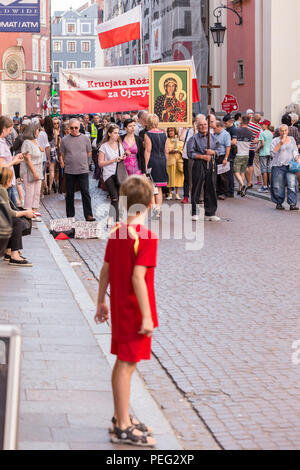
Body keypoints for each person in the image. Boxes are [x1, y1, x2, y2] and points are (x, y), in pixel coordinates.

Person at [94, 175, 158, 448]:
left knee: (122, 363)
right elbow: (138, 278)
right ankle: (122, 425)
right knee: (127, 366)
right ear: (150, 203)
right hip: (133, 309)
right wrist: (146, 316)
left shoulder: (117, 231)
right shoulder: (146, 237)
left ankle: (121, 416)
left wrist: (101, 300)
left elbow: (105, 270)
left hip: (119, 306)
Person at [60, 118, 95, 222]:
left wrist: (84, 161)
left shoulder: (85, 138)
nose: (74, 130)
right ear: (68, 128)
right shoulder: (64, 140)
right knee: (69, 194)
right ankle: (70, 216)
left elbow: (89, 152)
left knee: (85, 192)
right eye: (72, 128)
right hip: (70, 170)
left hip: (83, 170)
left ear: (79, 127)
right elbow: (62, 153)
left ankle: (88, 215)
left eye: (76, 128)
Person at [0, 168, 36, 267]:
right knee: (16, 222)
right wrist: (25, 213)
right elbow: (10, 213)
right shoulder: (2, 190)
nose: (11, 183)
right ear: (6, 180)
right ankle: (14, 255)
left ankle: (8, 251)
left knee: (13, 221)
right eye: (10, 180)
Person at [187, 118, 221, 222]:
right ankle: (195, 212)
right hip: (199, 163)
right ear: (197, 127)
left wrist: (213, 152)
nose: (203, 126)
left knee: (211, 187)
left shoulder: (213, 138)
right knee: (196, 187)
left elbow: (219, 149)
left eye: (205, 124)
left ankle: (210, 213)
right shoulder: (193, 138)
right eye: (200, 125)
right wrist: (202, 156)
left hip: (211, 163)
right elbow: (190, 153)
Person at [98, 124, 125, 228]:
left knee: (117, 197)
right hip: (108, 174)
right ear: (109, 134)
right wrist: (113, 160)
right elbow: (100, 163)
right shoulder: (103, 147)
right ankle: (117, 222)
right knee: (114, 198)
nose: (117, 135)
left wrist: (123, 157)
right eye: (115, 133)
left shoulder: (119, 145)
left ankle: (109, 219)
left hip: (118, 174)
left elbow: (122, 157)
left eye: (118, 133)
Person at [144, 114, 169, 219]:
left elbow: (148, 151)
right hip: (162, 160)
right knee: (159, 188)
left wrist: (145, 166)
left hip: (152, 161)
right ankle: (157, 211)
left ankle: (155, 211)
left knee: (152, 187)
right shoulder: (164, 135)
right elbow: (166, 151)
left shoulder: (148, 134)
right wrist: (164, 162)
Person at [270, 124, 299, 211]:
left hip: (290, 166)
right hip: (278, 165)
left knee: (292, 184)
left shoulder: (292, 139)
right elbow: (272, 153)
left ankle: (292, 204)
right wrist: (280, 143)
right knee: (278, 185)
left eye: (285, 130)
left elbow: (294, 150)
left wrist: (296, 157)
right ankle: (279, 203)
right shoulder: (275, 140)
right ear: (279, 132)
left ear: (288, 131)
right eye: (282, 130)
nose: (284, 132)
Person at [20, 123, 44, 220]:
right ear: (33, 131)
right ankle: (27, 211)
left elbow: (39, 149)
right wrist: (34, 173)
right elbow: (28, 159)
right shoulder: (27, 142)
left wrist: (40, 149)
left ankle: (34, 210)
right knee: (30, 192)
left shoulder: (35, 141)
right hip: (30, 170)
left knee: (37, 192)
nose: (39, 132)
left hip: (38, 169)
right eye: (37, 130)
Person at [0, 116, 24, 207]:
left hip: (8, 180)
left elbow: (5, 160)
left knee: (12, 208)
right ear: (4, 129)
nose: (11, 132)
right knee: (10, 210)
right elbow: (2, 166)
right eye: (10, 130)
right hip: (6, 180)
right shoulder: (1, 143)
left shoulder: (3, 141)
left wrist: (14, 158)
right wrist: (14, 162)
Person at [234, 115, 253, 197]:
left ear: (241, 120)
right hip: (246, 154)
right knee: (242, 172)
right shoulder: (250, 132)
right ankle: (240, 189)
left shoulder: (237, 130)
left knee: (235, 172)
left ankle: (242, 184)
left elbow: (234, 142)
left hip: (238, 153)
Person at [180, 120, 197, 204]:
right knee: (186, 177)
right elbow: (181, 138)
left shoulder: (196, 131)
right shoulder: (187, 131)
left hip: (195, 158)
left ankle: (195, 196)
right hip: (186, 156)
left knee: (195, 177)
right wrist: (184, 128)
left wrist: (195, 129)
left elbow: (196, 139)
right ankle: (186, 196)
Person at [214, 121, 231, 200]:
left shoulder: (225, 134)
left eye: (215, 128)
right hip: (216, 156)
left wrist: (226, 158)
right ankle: (218, 192)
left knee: (223, 175)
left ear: (219, 127)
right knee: (217, 175)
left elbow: (228, 146)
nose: (214, 130)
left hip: (222, 155)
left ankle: (225, 192)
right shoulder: (215, 134)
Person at [165, 127, 184, 200]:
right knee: (170, 177)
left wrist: (179, 151)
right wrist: (170, 151)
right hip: (170, 161)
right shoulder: (166, 140)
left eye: (172, 131)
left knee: (178, 177)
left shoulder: (180, 141)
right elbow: (165, 150)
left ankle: (177, 194)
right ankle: (170, 193)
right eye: (169, 131)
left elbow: (182, 150)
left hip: (178, 161)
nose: (170, 132)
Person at [246, 113, 263, 189]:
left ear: (252, 118)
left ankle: (248, 181)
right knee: (251, 164)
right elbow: (258, 138)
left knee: (245, 165)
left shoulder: (248, 125)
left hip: (246, 147)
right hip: (252, 148)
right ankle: (250, 181)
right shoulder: (259, 128)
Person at [223, 115, 238, 198]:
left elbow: (234, 141)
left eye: (226, 123)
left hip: (231, 153)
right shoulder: (227, 129)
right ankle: (227, 189)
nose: (225, 124)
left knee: (229, 173)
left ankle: (231, 191)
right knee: (226, 172)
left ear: (229, 122)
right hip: (227, 152)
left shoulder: (233, 130)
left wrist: (224, 142)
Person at [257, 120, 273, 193]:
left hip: (263, 153)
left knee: (264, 171)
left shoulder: (262, 133)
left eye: (262, 125)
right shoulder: (271, 133)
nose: (261, 126)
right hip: (270, 152)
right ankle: (270, 186)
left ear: (266, 125)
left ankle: (265, 186)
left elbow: (262, 144)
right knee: (269, 170)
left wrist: (257, 149)